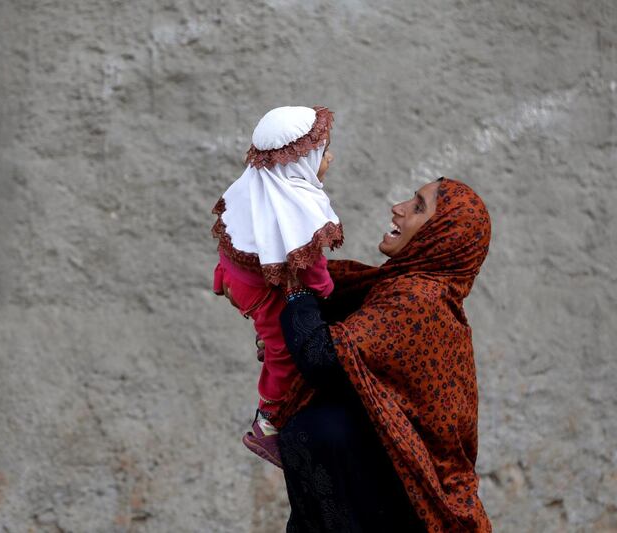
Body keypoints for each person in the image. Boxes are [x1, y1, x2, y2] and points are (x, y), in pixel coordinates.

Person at [267, 177, 492, 532]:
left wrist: (297, 291)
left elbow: (321, 357)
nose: (398, 208)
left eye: (418, 207)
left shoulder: (418, 301)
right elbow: (338, 349)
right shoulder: (391, 291)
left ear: (441, 237)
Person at [210, 105, 342, 466]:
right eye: (322, 153)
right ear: (299, 160)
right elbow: (312, 270)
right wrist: (328, 292)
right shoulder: (298, 204)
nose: (328, 158)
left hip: (233, 278)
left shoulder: (256, 183)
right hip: (258, 295)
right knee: (282, 349)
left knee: (271, 333)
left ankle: (262, 335)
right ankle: (266, 422)